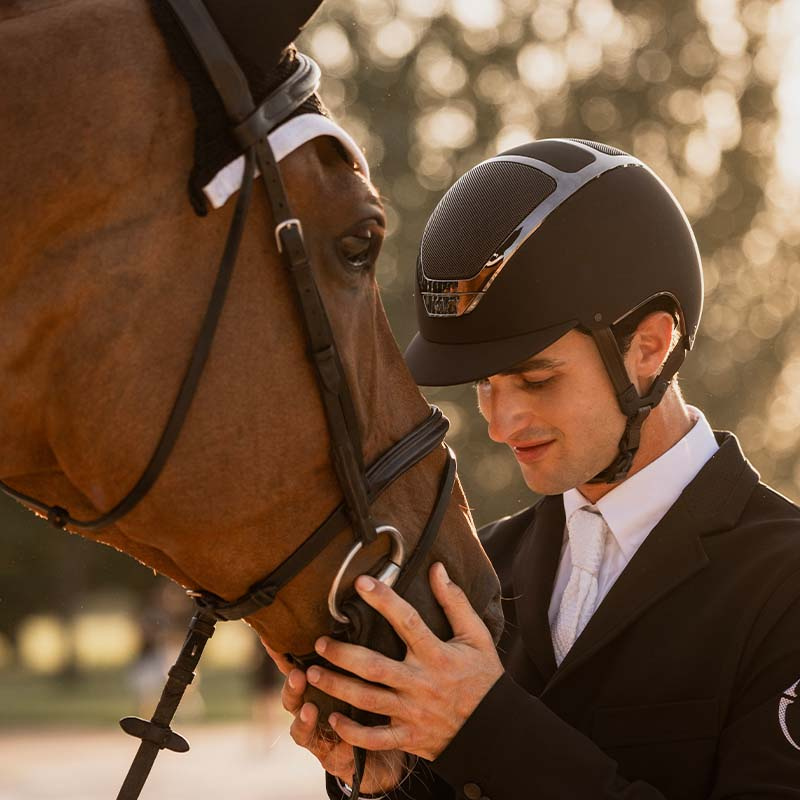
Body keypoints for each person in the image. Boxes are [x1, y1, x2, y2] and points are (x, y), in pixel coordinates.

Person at [271, 138, 800, 798]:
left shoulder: (786, 586)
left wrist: (483, 733)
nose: (500, 422)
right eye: (484, 385)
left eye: (535, 378)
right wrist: (385, 781)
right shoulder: (485, 566)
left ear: (650, 348)